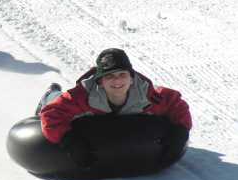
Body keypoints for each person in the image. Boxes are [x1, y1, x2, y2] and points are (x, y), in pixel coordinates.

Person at [37, 48, 192, 167]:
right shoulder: (82, 96)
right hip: (72, 107)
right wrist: (69, 140)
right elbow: (52, 113)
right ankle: (49, 93)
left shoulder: (148, 96)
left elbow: (176, 104)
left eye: (122, 75)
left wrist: (181, 131)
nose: (117, 81)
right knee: (55, 100)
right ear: (100, 82)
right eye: (109, 76)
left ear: (131, 78)